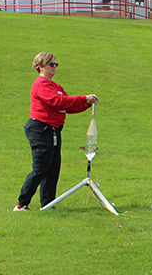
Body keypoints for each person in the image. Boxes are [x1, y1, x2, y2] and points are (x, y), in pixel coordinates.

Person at [15, 52, 98, 211]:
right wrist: (83, 98)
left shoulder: (56, 87)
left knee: (53, 168)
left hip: (53, 131)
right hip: (40, 129)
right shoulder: (41, 85)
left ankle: (48, 204)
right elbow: (57, 102)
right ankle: (22, 204)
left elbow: (67, 106)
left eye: (55, 64)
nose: (54, 67)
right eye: (51, 64)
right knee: (41, 167)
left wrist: (86, 103)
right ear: (40, 67)